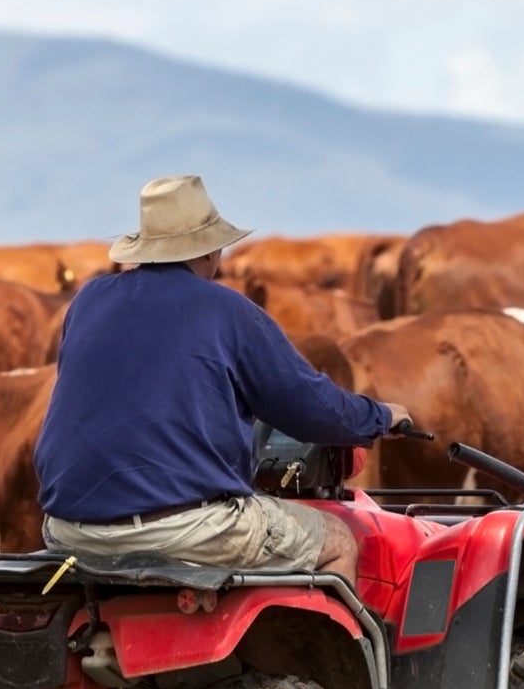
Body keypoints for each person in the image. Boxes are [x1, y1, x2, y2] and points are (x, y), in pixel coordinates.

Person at [35, 175, 410, 579]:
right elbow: (310, 407)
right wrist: (380, 416)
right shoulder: (226, 310)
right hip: (184, 530)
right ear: (210, 251)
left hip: (69, 531)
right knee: (337, 542)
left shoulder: (88, 300)